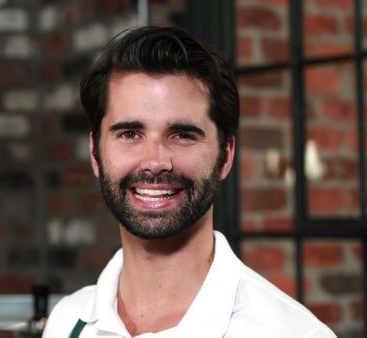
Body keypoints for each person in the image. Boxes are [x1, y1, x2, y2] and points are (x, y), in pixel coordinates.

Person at [43, 27, 336, 338]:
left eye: (183, 135)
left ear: (225, 155)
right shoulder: (67, 321)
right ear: (94, 152)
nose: (155, 162)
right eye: (129, 134)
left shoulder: (293, 333)